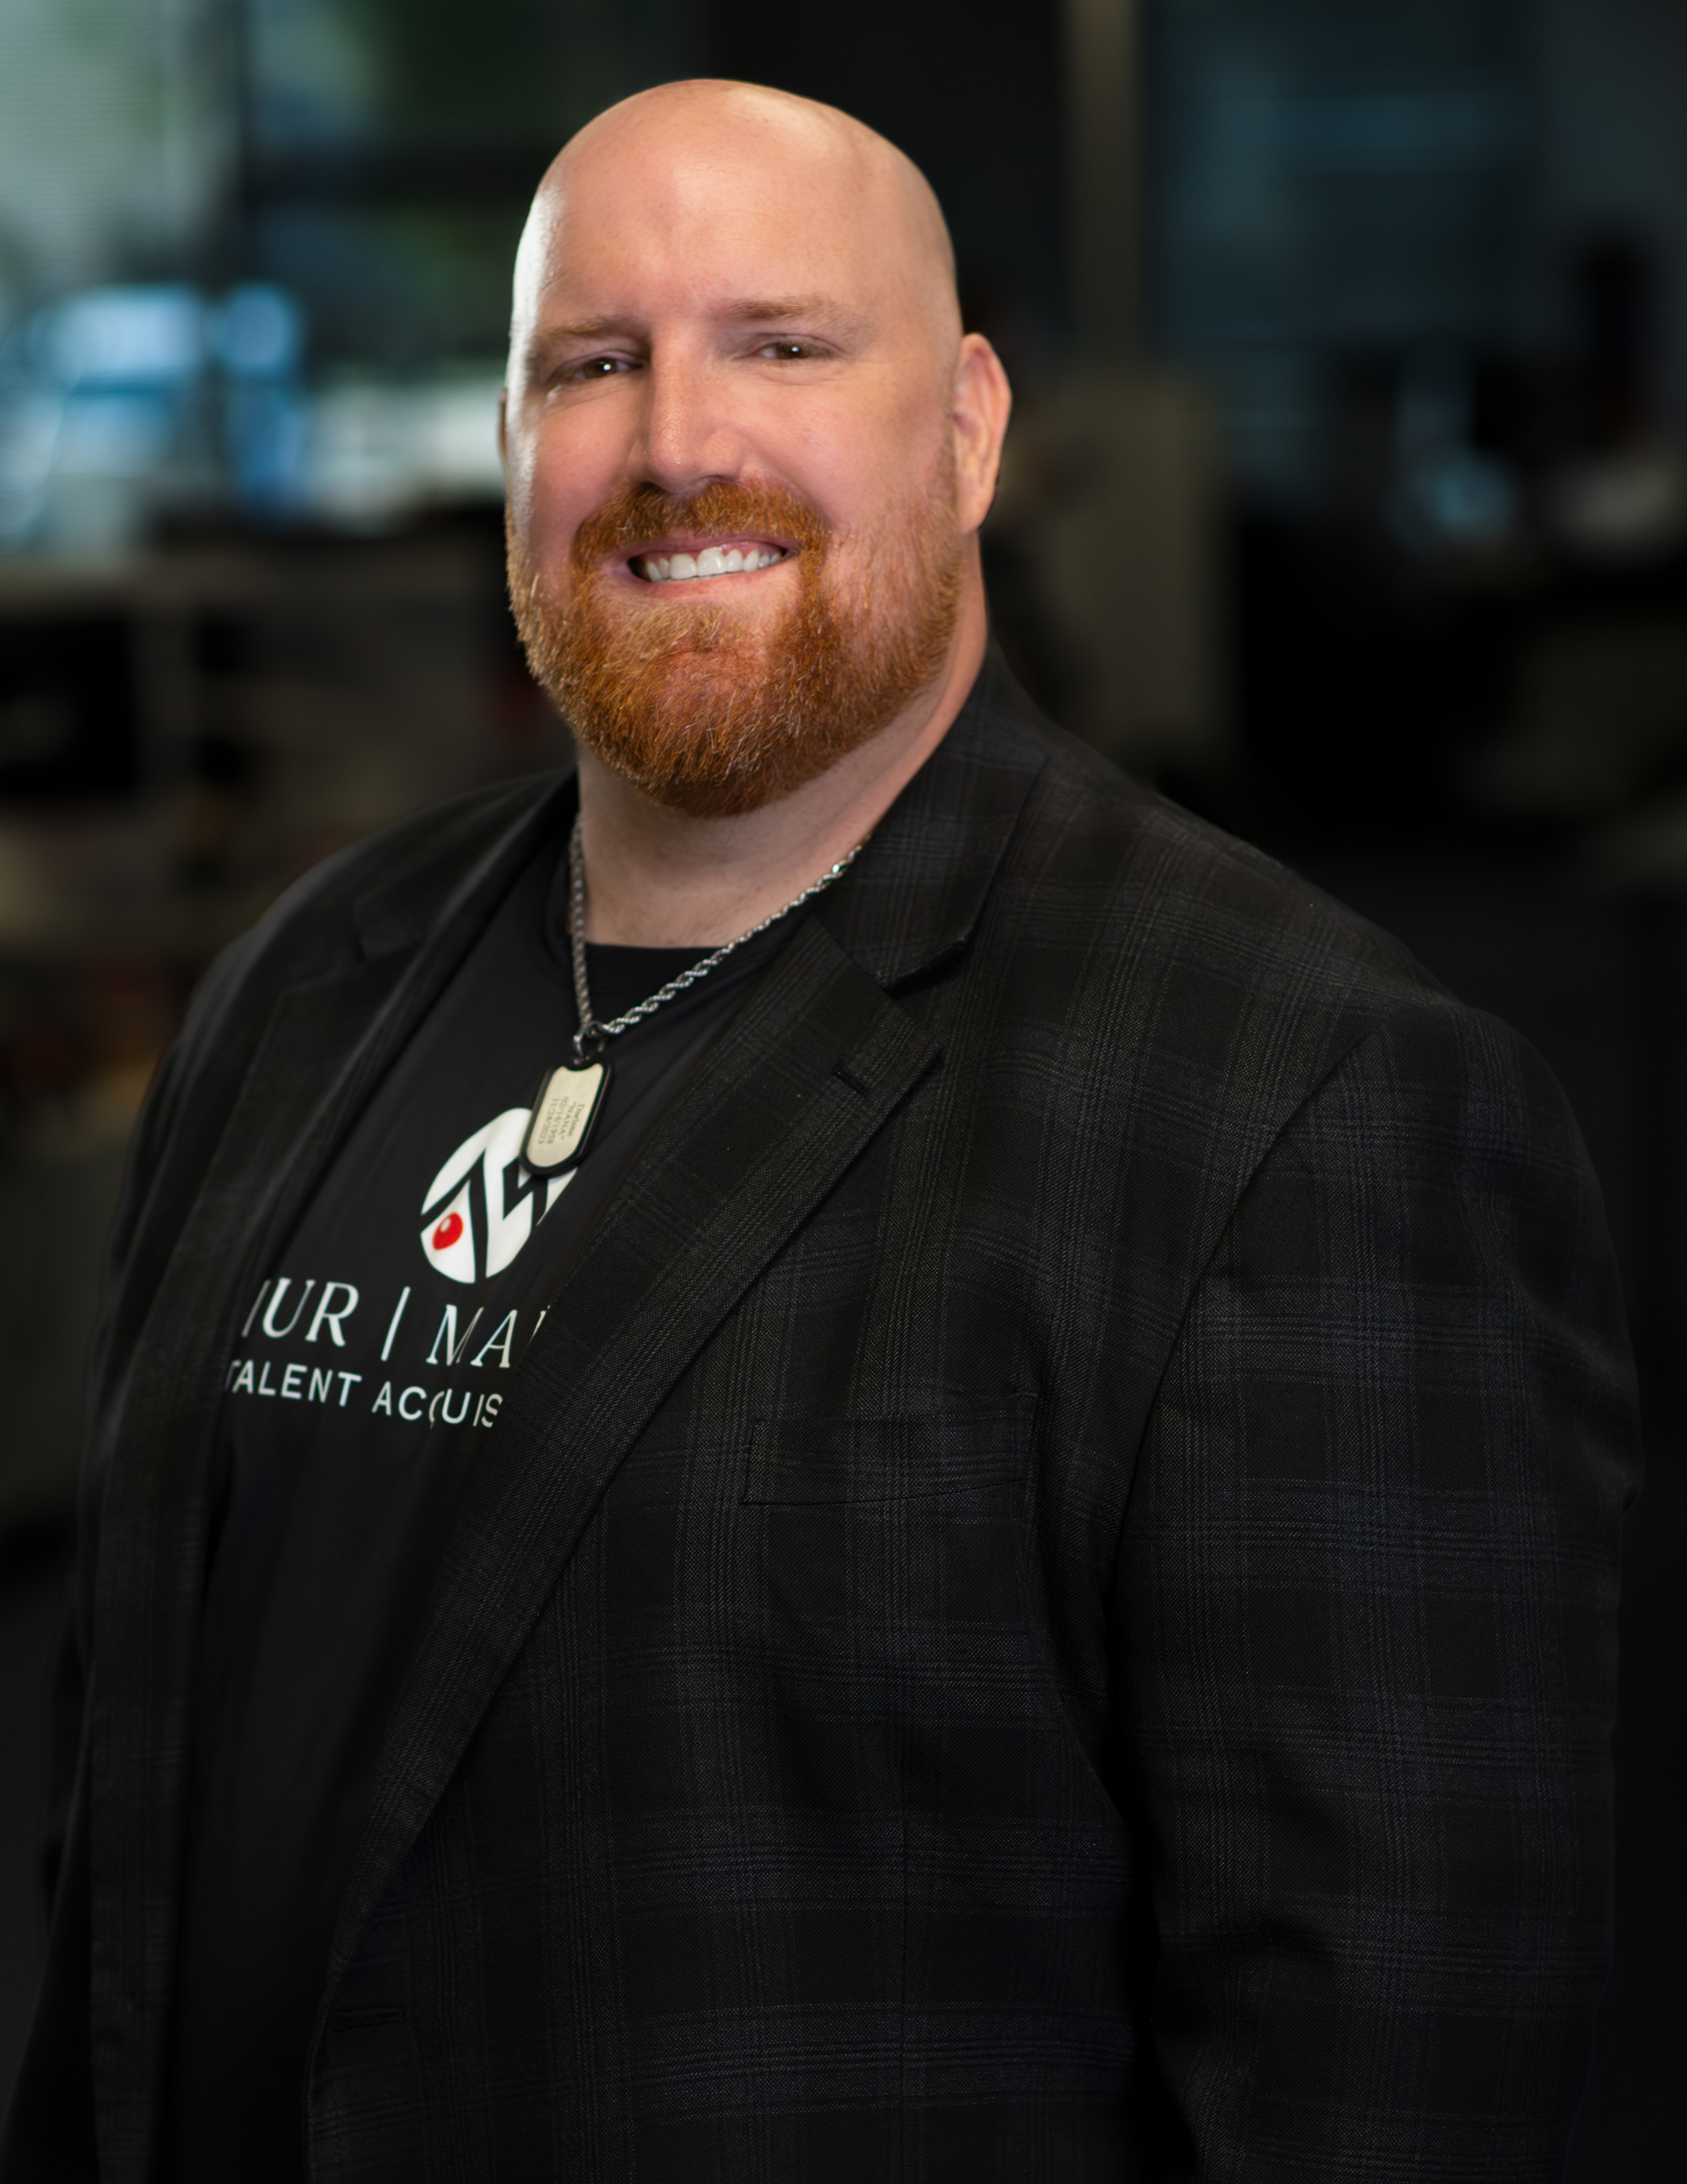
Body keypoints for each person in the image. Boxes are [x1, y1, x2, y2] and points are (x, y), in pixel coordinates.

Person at [2, 80, 1638, 2184]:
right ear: (508, 438)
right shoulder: (299, 984)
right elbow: (124, 1799)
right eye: (591, 364)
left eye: (780, 344)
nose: (676, 441)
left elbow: (1387, 2076)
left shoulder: (1304, 1103)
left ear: (967, 428)